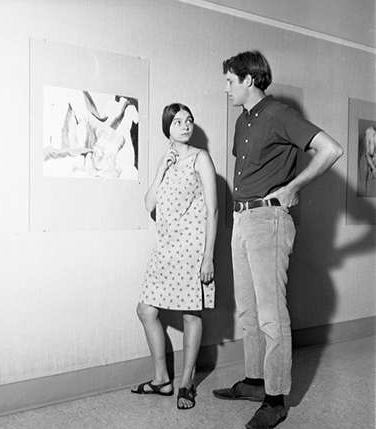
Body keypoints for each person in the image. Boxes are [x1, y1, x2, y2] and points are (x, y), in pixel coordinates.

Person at [213, 51, 343, 429]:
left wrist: (294, 187)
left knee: (272, 315)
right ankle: (256, 381)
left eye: (229, 81)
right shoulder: (243, 121)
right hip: (242, 221)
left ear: (249, 80)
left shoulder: (281, 114)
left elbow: (330, 149)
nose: (226, 89)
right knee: (249, 312)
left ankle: (276, 399)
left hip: (268, 220)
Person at [131, 103, 218, 410]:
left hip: (192, 249)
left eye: (189, 120)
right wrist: (160, 170)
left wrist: (208, 258)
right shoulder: (165, 160)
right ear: (167, 127)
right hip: (165, 249)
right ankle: (161, 380)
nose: (185, 125)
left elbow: (213, 210)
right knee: (146, 310)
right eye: (178, 121)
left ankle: (185, 384)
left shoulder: (201, 158)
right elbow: (148, 203)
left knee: (192, 314)